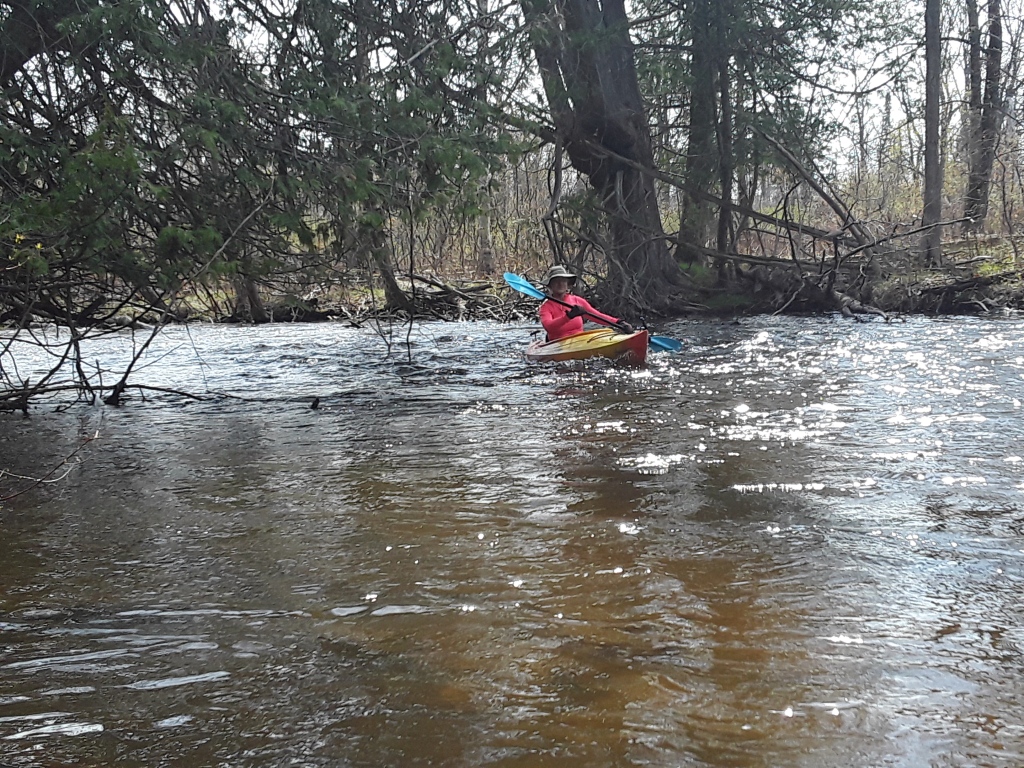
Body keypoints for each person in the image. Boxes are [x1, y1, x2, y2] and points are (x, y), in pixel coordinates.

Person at [539, 265, 634, 341]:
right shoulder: (545, 307)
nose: (560, 284)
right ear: (550, 286)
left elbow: (597, 316)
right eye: (556, 281)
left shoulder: (577, 301)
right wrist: (568, 317)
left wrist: (619, 322)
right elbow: (549, 327)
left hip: (580, 341)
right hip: (556, 344)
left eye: (563, 281)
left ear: (568, 284)